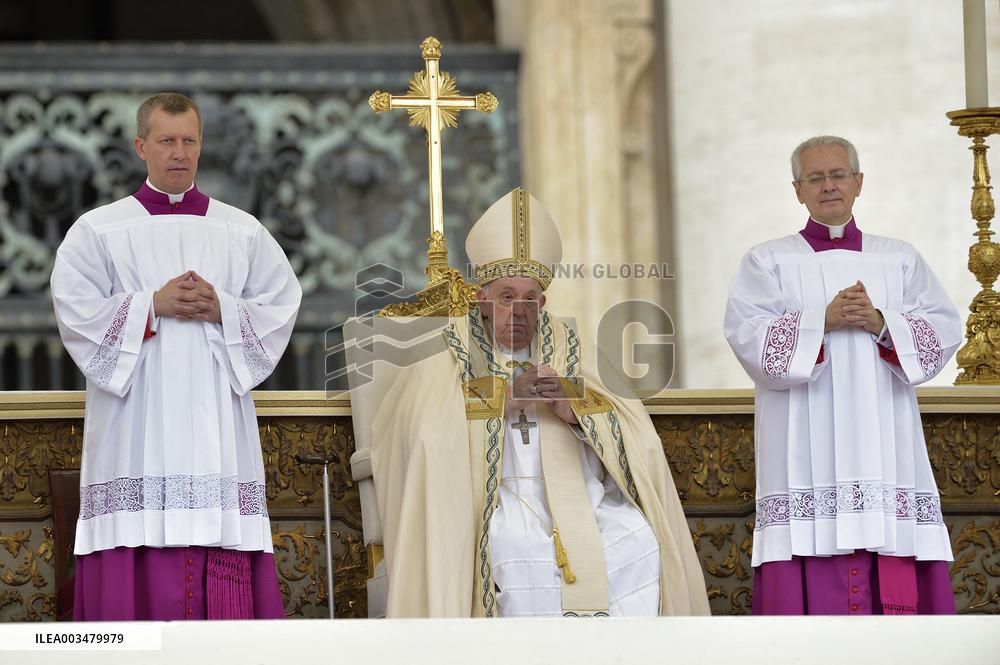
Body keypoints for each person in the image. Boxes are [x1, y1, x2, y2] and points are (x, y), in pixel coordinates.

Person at [370, 187, 709, 617]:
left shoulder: (571, 347)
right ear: (482, 299)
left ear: (543, 302)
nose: (520, 310)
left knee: (637, 538)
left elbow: (633, 430)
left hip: (582, 500)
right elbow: (419, 437)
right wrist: (503, 400)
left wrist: (576, 411)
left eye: (530, 298)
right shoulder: (449, 352)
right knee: (518, 550)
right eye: (507, 296)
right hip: (495, 502)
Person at [51, 92, 302, 620]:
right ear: (141, 146)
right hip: (134, 424)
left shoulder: (242, 231)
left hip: (216, 425)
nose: (179, 153)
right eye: (166, 141)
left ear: (201, 146)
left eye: (189, 141)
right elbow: (75, 311)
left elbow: (281, 305)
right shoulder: (99, 230)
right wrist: (150, 306)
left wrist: (224, 311)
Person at [724, 135, 961, 615]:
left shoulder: (898, 258)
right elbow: (747, 337)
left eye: (837, 175)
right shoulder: (767, 260)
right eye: (815, 178)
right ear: (797, 190)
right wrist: (821, 321)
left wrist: (880, 322)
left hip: (884, 433)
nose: (828, 186)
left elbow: (942, 330)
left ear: (858, 182)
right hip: (803, 442)